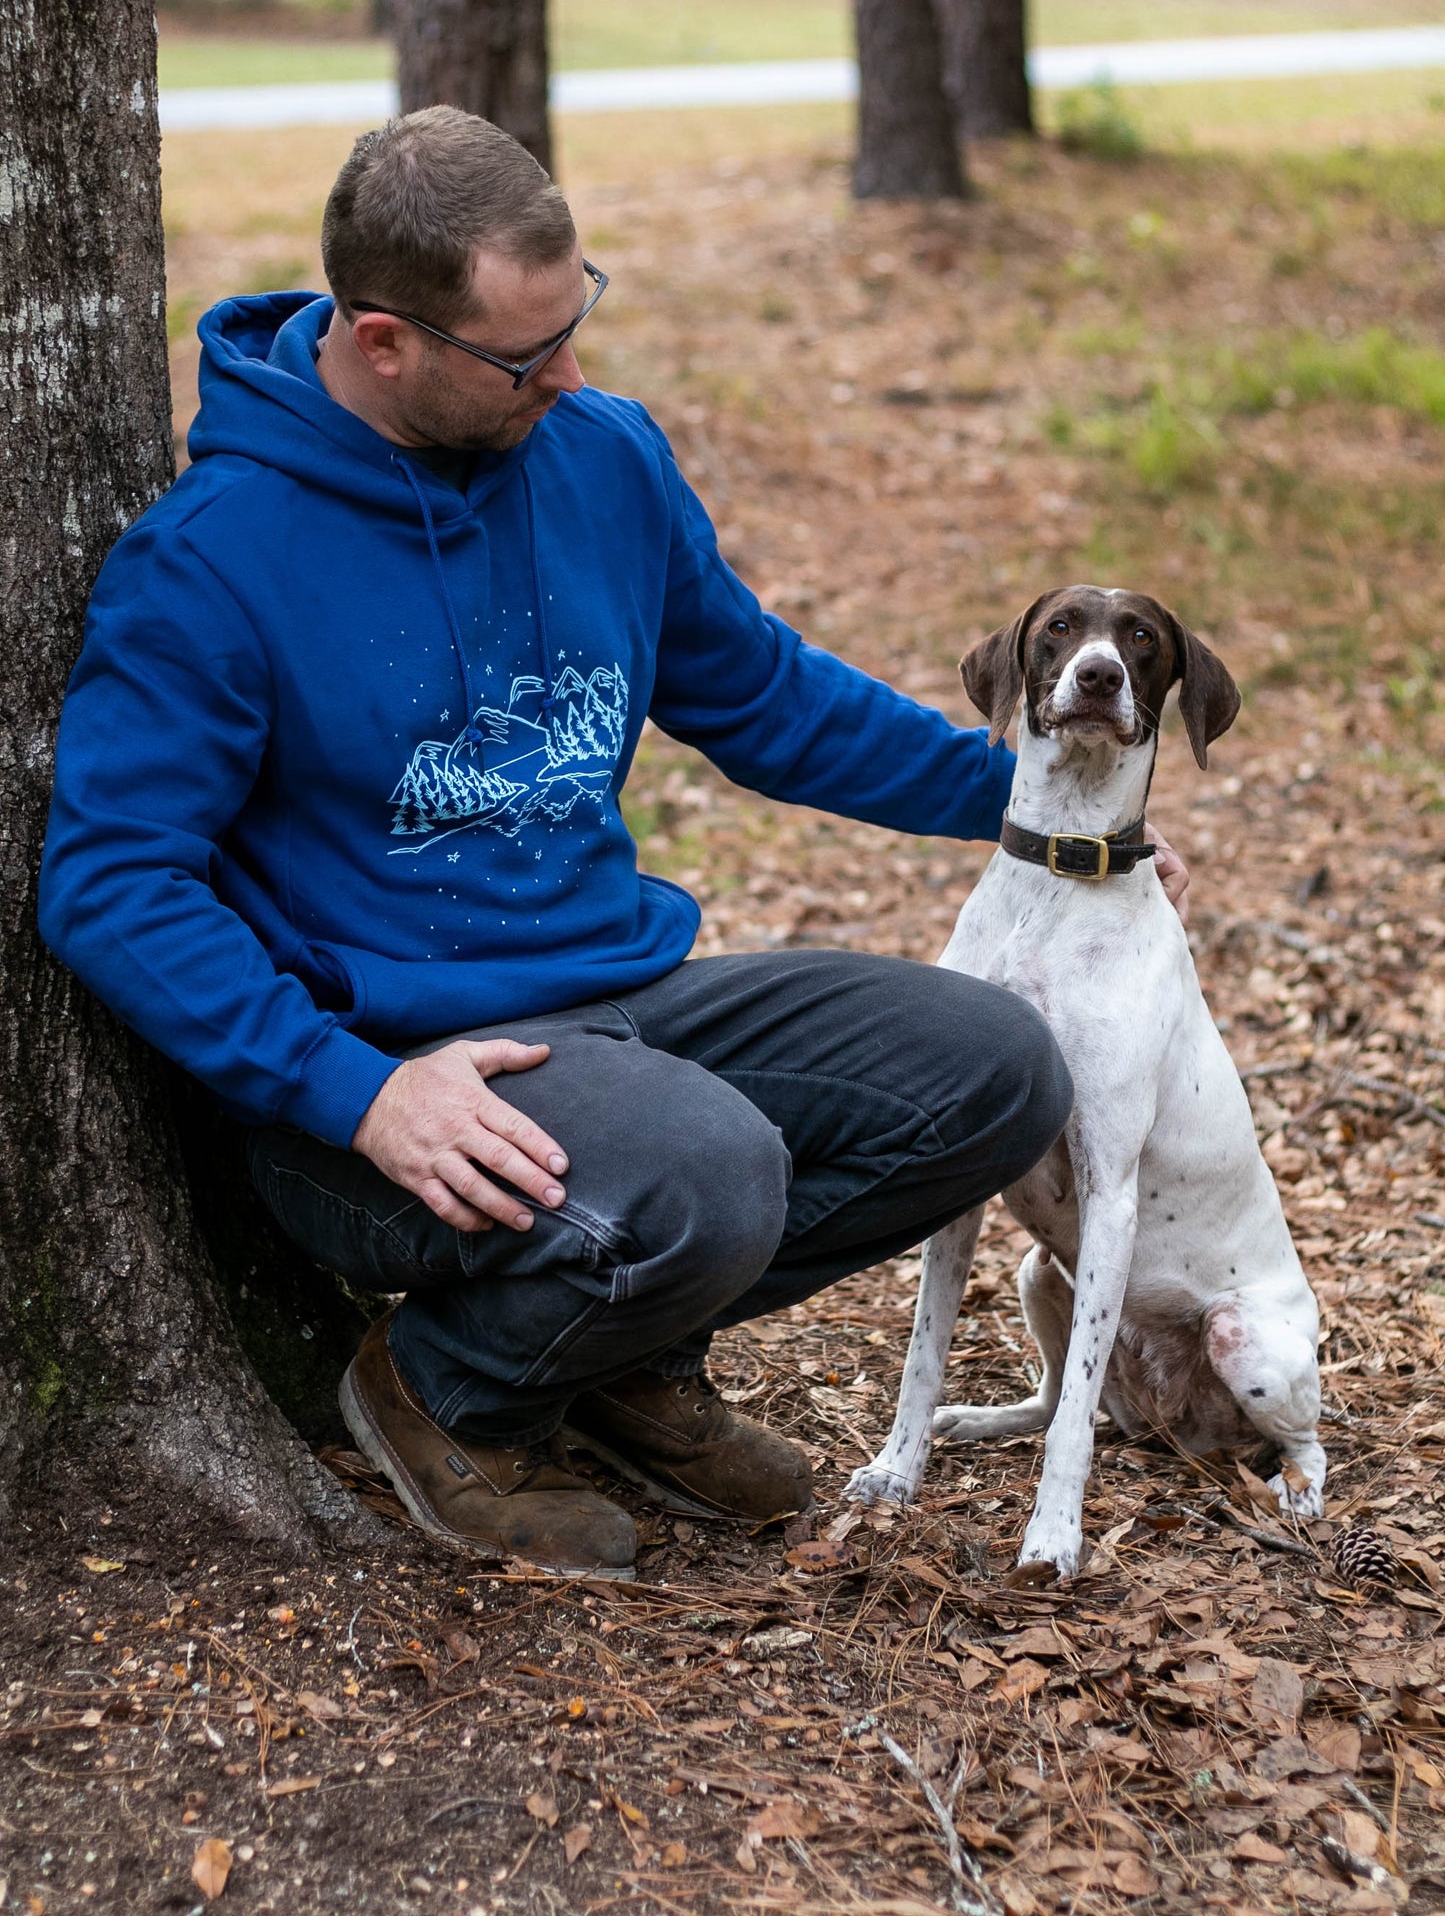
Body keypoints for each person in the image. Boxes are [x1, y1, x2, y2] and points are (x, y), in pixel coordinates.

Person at [40, 108, 1186, 1579]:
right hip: (383, 1082)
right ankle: (447, 1391)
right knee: (708, 1169)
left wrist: (1030, 803)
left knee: (991, 1072)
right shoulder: (210, 561)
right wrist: (355, 1093)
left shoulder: (599, 455)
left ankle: (615, 1345)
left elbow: (760, 695)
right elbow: (112, 881)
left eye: (578, 318)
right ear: (383, 343)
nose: (570, 375)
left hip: (616, 1007)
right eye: (526, 357)